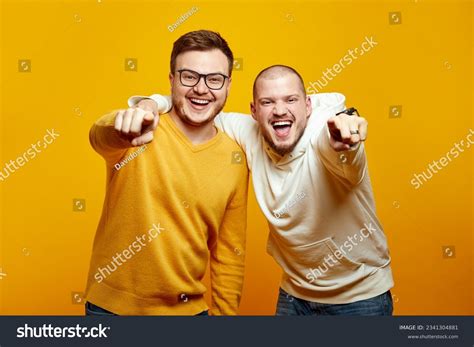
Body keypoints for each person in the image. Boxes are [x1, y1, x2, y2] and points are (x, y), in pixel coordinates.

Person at [132, 63, 394, 316]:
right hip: (295, 295)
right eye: (268, 102)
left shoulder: (328, 138)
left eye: (290, 100)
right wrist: (153, 103)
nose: (280, 110)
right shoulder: (249, 133)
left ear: (308, 106)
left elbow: (346, 154)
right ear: (254, 111)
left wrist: (347, 139)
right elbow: (198, 107)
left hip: (360, 299)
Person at [84, 30, 249, 316]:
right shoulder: (141, 130)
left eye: (214, 79)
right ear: (172, 80)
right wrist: (123, 127)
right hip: (110, 309)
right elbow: (99, 135)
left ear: (228, 85)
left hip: (188, 314)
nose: (201, 89)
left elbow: (229, 255)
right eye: (189, 76)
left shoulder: (235, 158)